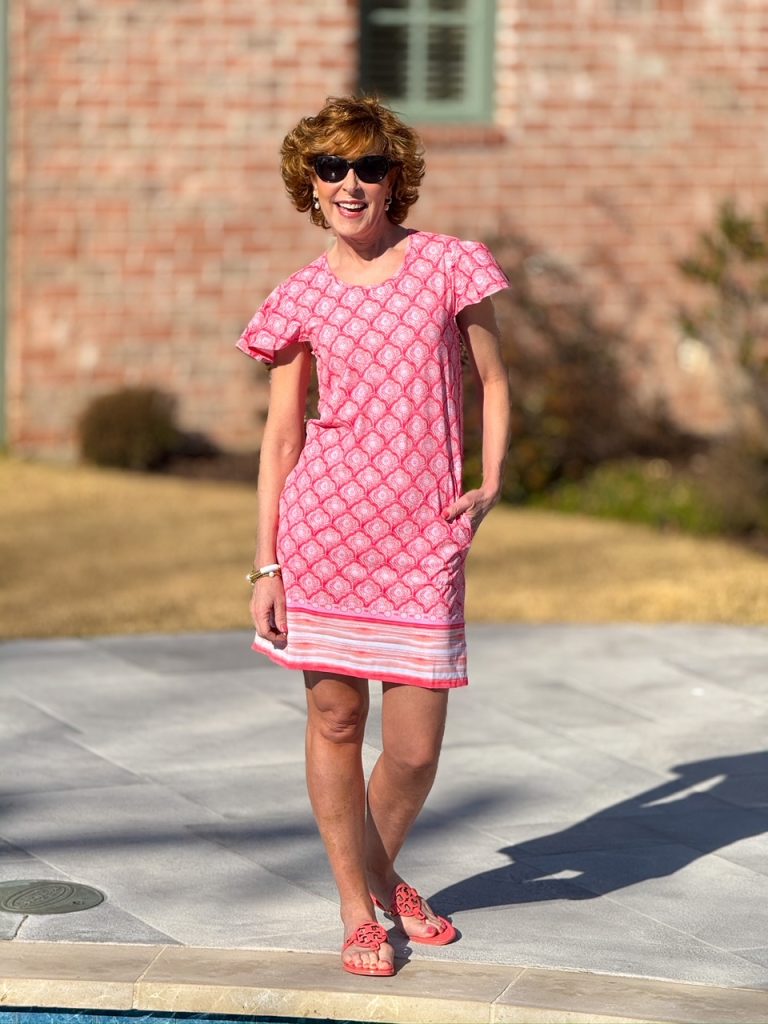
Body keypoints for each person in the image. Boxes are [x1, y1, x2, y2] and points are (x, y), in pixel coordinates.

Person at [237, 95, 510, 978]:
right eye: (331, 169)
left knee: (419, 746)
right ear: (307, 184)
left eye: (368, 168)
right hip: (323, 533)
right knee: (336, 716)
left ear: (397, 179)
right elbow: (281, 437)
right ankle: (359, 907)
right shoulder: (301, 296)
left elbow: (493, 381)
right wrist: (266, 562)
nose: (350, 184)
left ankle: (380, 870)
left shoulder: (450, 265)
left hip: (424, 534)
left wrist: (492, 482)